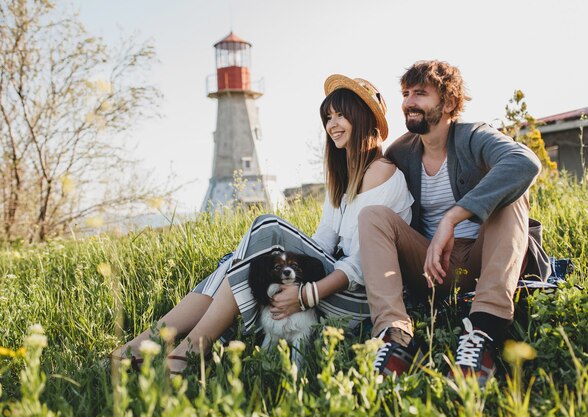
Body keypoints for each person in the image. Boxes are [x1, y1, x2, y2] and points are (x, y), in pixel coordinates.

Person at [111, 74, 414, 374]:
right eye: (328, 116)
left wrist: (306, 294)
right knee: (236, 261)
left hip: (361, 302)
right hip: (332, 285)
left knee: (266, 226)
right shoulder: (343, 178)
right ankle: (156, 346)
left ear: (362, 119)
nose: (332, 124)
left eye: (341, 115)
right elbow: (321, 244)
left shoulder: (381, 173)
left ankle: (182, 350)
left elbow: (362, 265)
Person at [358, 60, 550, 384]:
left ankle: (483, 334)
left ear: (448, 102)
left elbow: (524, 162)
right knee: (372, 215)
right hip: (432, 269)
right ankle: (396, 338)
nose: (408, 102)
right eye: (405, 94)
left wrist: (453, 217)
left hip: (483, 260)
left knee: (512, 196)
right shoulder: (401, 152)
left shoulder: (474, 136)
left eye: (420, 93)